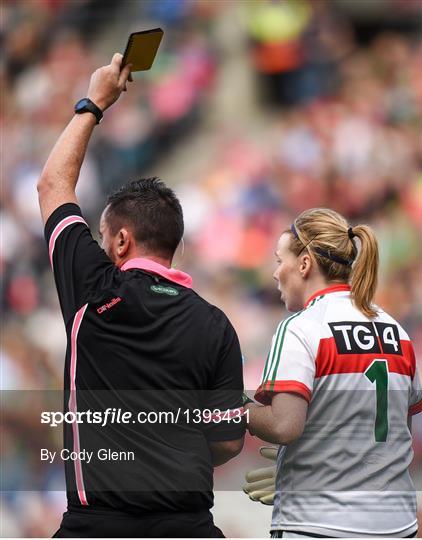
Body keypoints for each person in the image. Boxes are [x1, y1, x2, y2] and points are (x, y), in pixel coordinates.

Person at [37, 53, 246, 538]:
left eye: (105, 237)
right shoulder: (216, 325)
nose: (102, 246)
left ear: (123, 241)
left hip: (97, 527)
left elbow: (53, 185)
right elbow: (228, 443)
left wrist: (94, 102)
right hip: (189, 526)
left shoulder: (92, 288)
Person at [243, 208, 422, 538]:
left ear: (304, 264)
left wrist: (236, 408)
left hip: (320, 525)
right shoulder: (396, 330)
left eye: (278, 260)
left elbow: (284, 426)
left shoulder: (301, 328)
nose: (274, 273)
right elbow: (396, 436)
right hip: (398, 525)